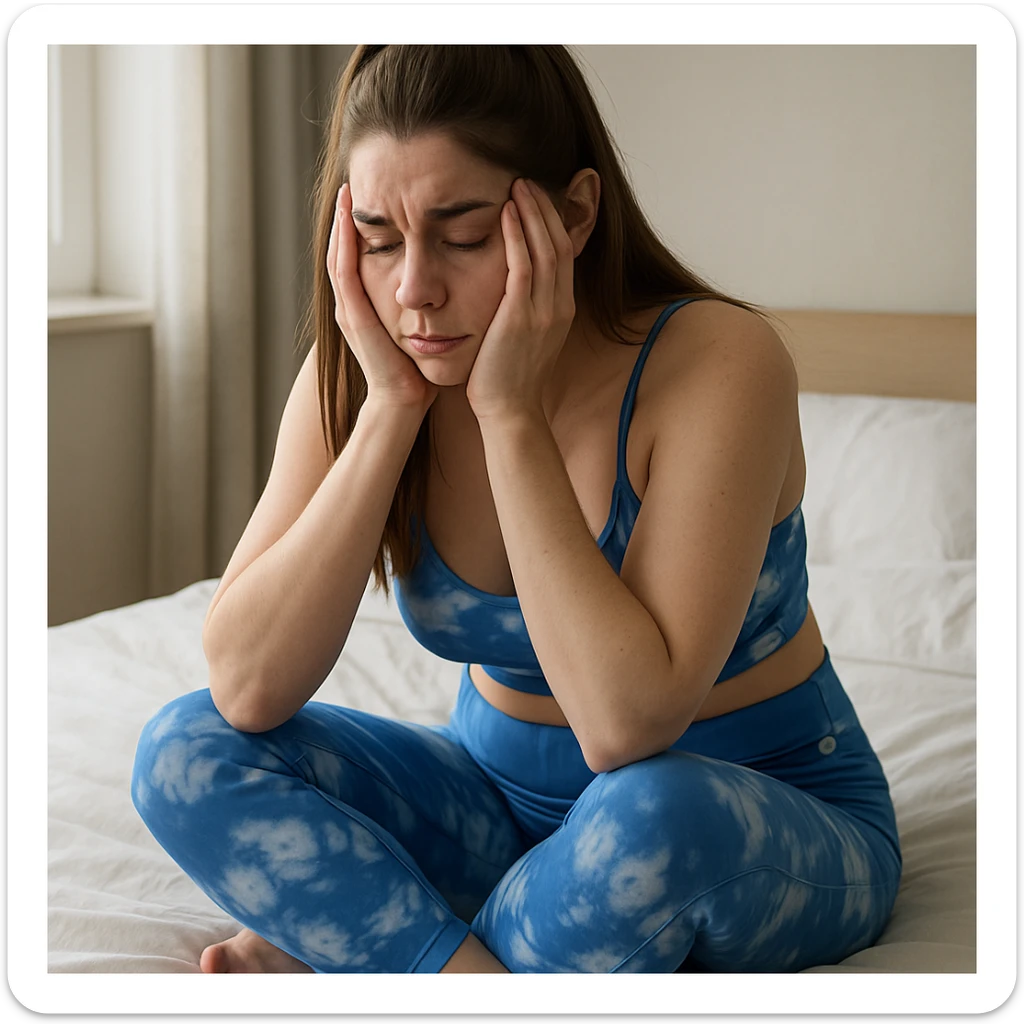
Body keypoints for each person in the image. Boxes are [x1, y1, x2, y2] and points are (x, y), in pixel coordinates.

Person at [131, 44, 902, 974]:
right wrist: (389, 412)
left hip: (745, 812)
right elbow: (246, 686)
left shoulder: (718, 363)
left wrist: (508, 413)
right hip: (497, 807)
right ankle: (459, 976)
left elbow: (626, 727)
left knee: (653, 812)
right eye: (377, 239)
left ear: (572, 214)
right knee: (184, 749)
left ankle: (383, 955)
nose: (413, 289)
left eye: (461, 236)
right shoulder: (376, 368)